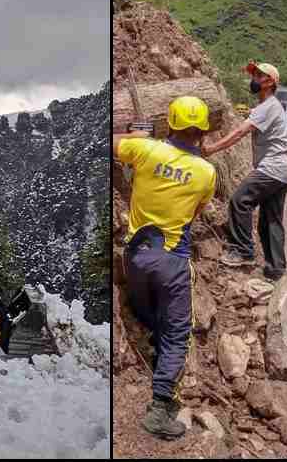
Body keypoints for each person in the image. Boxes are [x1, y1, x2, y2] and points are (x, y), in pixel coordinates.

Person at [113, 96, 218, 440]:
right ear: (202, 131)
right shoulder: (206, 174)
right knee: (177, 334)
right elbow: (194, 215)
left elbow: (114, 145)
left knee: (147, 312)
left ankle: (151, 347)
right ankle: (160, 408)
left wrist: (136, 137)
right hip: (173, 261)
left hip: (136, 257)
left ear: (168, 124)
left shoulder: (147, 151)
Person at [202, 61, 287, 282]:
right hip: (282, 171)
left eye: (258, 75)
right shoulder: (267, 107)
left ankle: (243, 252)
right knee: (270, 221)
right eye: (253, 74)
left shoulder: (268, 107)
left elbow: (240, 132)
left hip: (272, 169)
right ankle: (275, 271)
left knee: (239, 201)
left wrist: (211, 148)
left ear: (270, 82)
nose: (253, 79)